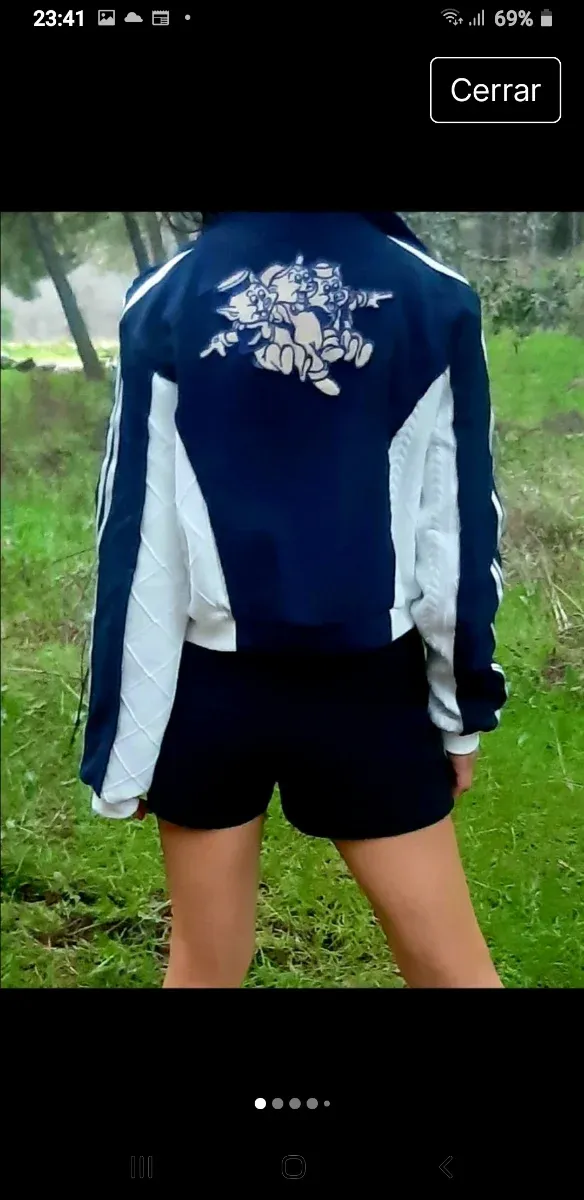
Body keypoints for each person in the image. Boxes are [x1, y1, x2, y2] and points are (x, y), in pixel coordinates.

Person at [80, 211, 508, 989]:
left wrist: (127, 745)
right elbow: (457, 533)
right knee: (454, 970)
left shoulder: (166, 297)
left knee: (203, 968)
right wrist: (460, 709)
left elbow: (137, 536)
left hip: (210, 695)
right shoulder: (433, 295)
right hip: (370, 694)